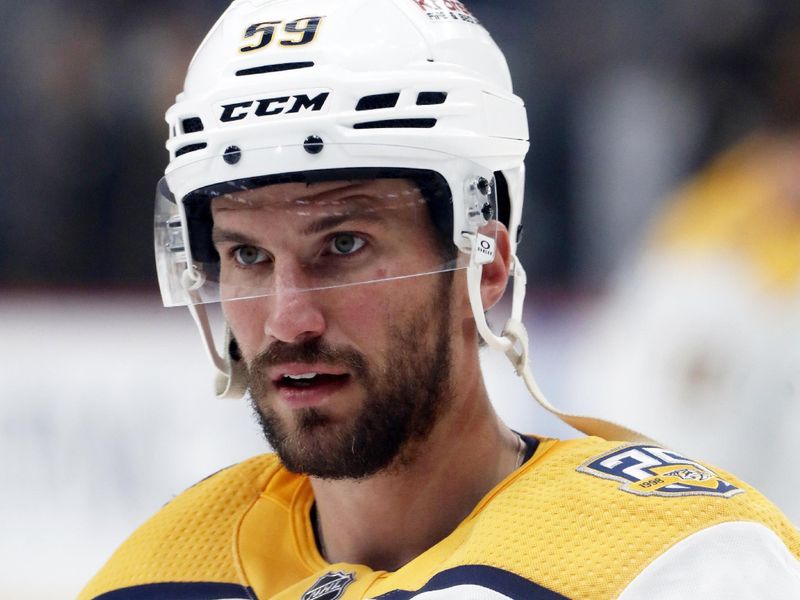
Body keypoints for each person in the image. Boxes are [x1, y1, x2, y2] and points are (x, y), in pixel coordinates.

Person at [80, 1, 800, 598]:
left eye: (343, 246)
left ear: (485, 264)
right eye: (247, 254)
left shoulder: (673, 565)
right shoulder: (157, 576)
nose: (287, 318)